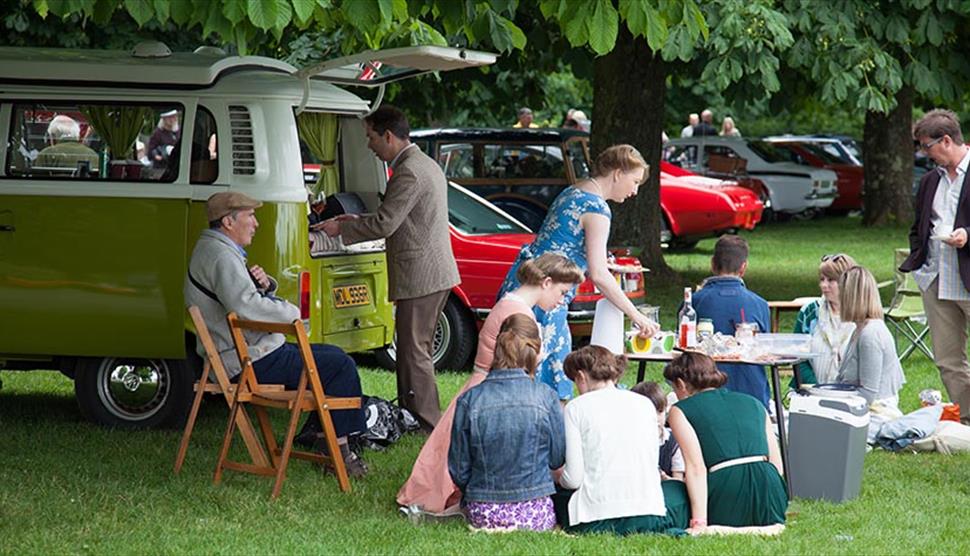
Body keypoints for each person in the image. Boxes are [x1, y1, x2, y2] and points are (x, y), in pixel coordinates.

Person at [184, 191, 367, 475]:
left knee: (332, 356)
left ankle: (326, 441)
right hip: (248, 363)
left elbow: (241, 300)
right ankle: (340, 454)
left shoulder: (214, 249)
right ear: (228, 222)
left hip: (243, 356)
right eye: (250, 216)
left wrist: (266, 286)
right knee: (339, 365)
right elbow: (245, 307)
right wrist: (291, 312)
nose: (256, 223)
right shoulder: (221, 256)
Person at [397, 253, 583, 517]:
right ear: (546, 282)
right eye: (562, 292)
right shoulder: (520, 314)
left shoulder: (512, 303)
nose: (562, 300)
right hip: (493, 390)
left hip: (484, 385)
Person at [316, 105, 460, 432]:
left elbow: (386, 223)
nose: (369, 145)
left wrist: (344, 230)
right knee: (412, 349)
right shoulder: (423, 164)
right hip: (430, 272)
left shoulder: (409, 170)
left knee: (413, 352)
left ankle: (425, 423)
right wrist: (357, 220)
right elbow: (399, 217)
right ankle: (412, 416)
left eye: (371, 137)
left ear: (388, 136)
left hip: (421, 275)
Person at [495, 145, 660, 401]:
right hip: (546, 294)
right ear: (617, 173)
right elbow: (599, 274)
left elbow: (565, 242)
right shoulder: (597, 209)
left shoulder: (573, 191)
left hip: (522, 284)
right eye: (635, 181)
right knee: (548, 374)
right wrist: (636, 315)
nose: (635, 190)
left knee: (515, 365)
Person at [554, 346, 689, 536]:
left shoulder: (576, 407)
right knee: (676, 489)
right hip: (648, 511)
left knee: (557, 494)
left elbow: (574, 479)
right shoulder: (644, 404)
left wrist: (559, 477)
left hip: (595, 517)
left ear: (581, 377)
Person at [448, 314, 565, 532]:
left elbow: (459, 468)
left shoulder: (470, 400)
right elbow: (557, 458)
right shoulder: (546, 396)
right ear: (535, 351)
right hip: (536, 512)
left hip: (483, 512)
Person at [665, 352, 787, 530]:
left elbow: (696, 468)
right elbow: (777, 464)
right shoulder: (754, 403)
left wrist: (699, 523)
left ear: (681, 384)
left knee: (673, 491)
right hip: (771, 497)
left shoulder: (680, 410)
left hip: (727, 493)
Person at [902, 108, 970, 424]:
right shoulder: (931, 180)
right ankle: (967, 419)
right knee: (947, 359)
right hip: (934, 278)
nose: (923, 153)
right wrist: (919, 261)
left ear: (946, 140)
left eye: (926, 146)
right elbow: (919, 227)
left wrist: (967, 235)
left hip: (966, 274)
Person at [691, 235, 771, 406]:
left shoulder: (693, 303)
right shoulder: (760, 305)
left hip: (702, 393)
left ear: (713, 264)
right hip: (752, 397)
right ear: (743, 268)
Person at [835, 266, 906, 409]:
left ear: (850, 297)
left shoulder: (871, 335)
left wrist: (832, 402)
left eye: (841, 293)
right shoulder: (859, 329)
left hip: (876, 412)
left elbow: (868, 395)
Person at [791, 253, 858, 386]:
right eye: (822, 279)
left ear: (846, 282)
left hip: (852, 392)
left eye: (831, 280)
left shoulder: (862, 315)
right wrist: (817, 388)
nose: (824, 285)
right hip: (811, 390)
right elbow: (797, 357)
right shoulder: (809, 312)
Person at [631, 381, 685, 481]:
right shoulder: (629, 440)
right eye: (649, 414)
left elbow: (678, 481)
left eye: (660, 412)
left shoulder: (673, 442)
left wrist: (664, 478)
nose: (656, 418)